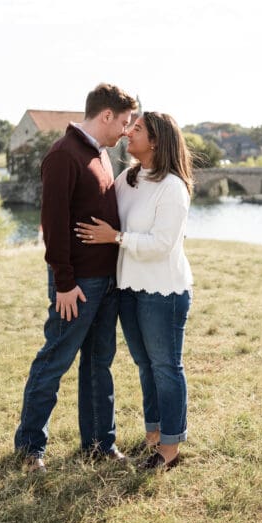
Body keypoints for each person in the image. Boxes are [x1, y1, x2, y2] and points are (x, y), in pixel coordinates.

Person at [14, 83, 138, 472]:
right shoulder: (63, 155)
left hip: (107, 281)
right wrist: (65, 283)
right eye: (124, 122)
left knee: (99, 363)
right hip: (78, 286)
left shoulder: (99, 154)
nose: (126, 131)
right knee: (54, 361)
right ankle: (29, 449)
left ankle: (100, 445)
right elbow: (52, 224)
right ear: (106, 115)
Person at [76, 111, 193, 471]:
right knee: (145, 365)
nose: (128, 132)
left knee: (165, 367)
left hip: (163, 292)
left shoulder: (172, 187)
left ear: (156, 141)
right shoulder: (127, 179)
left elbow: (161, 244)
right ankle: (154, 435)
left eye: (137, 129)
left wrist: (116, 238)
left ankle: (170, 450)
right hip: (128, 288)